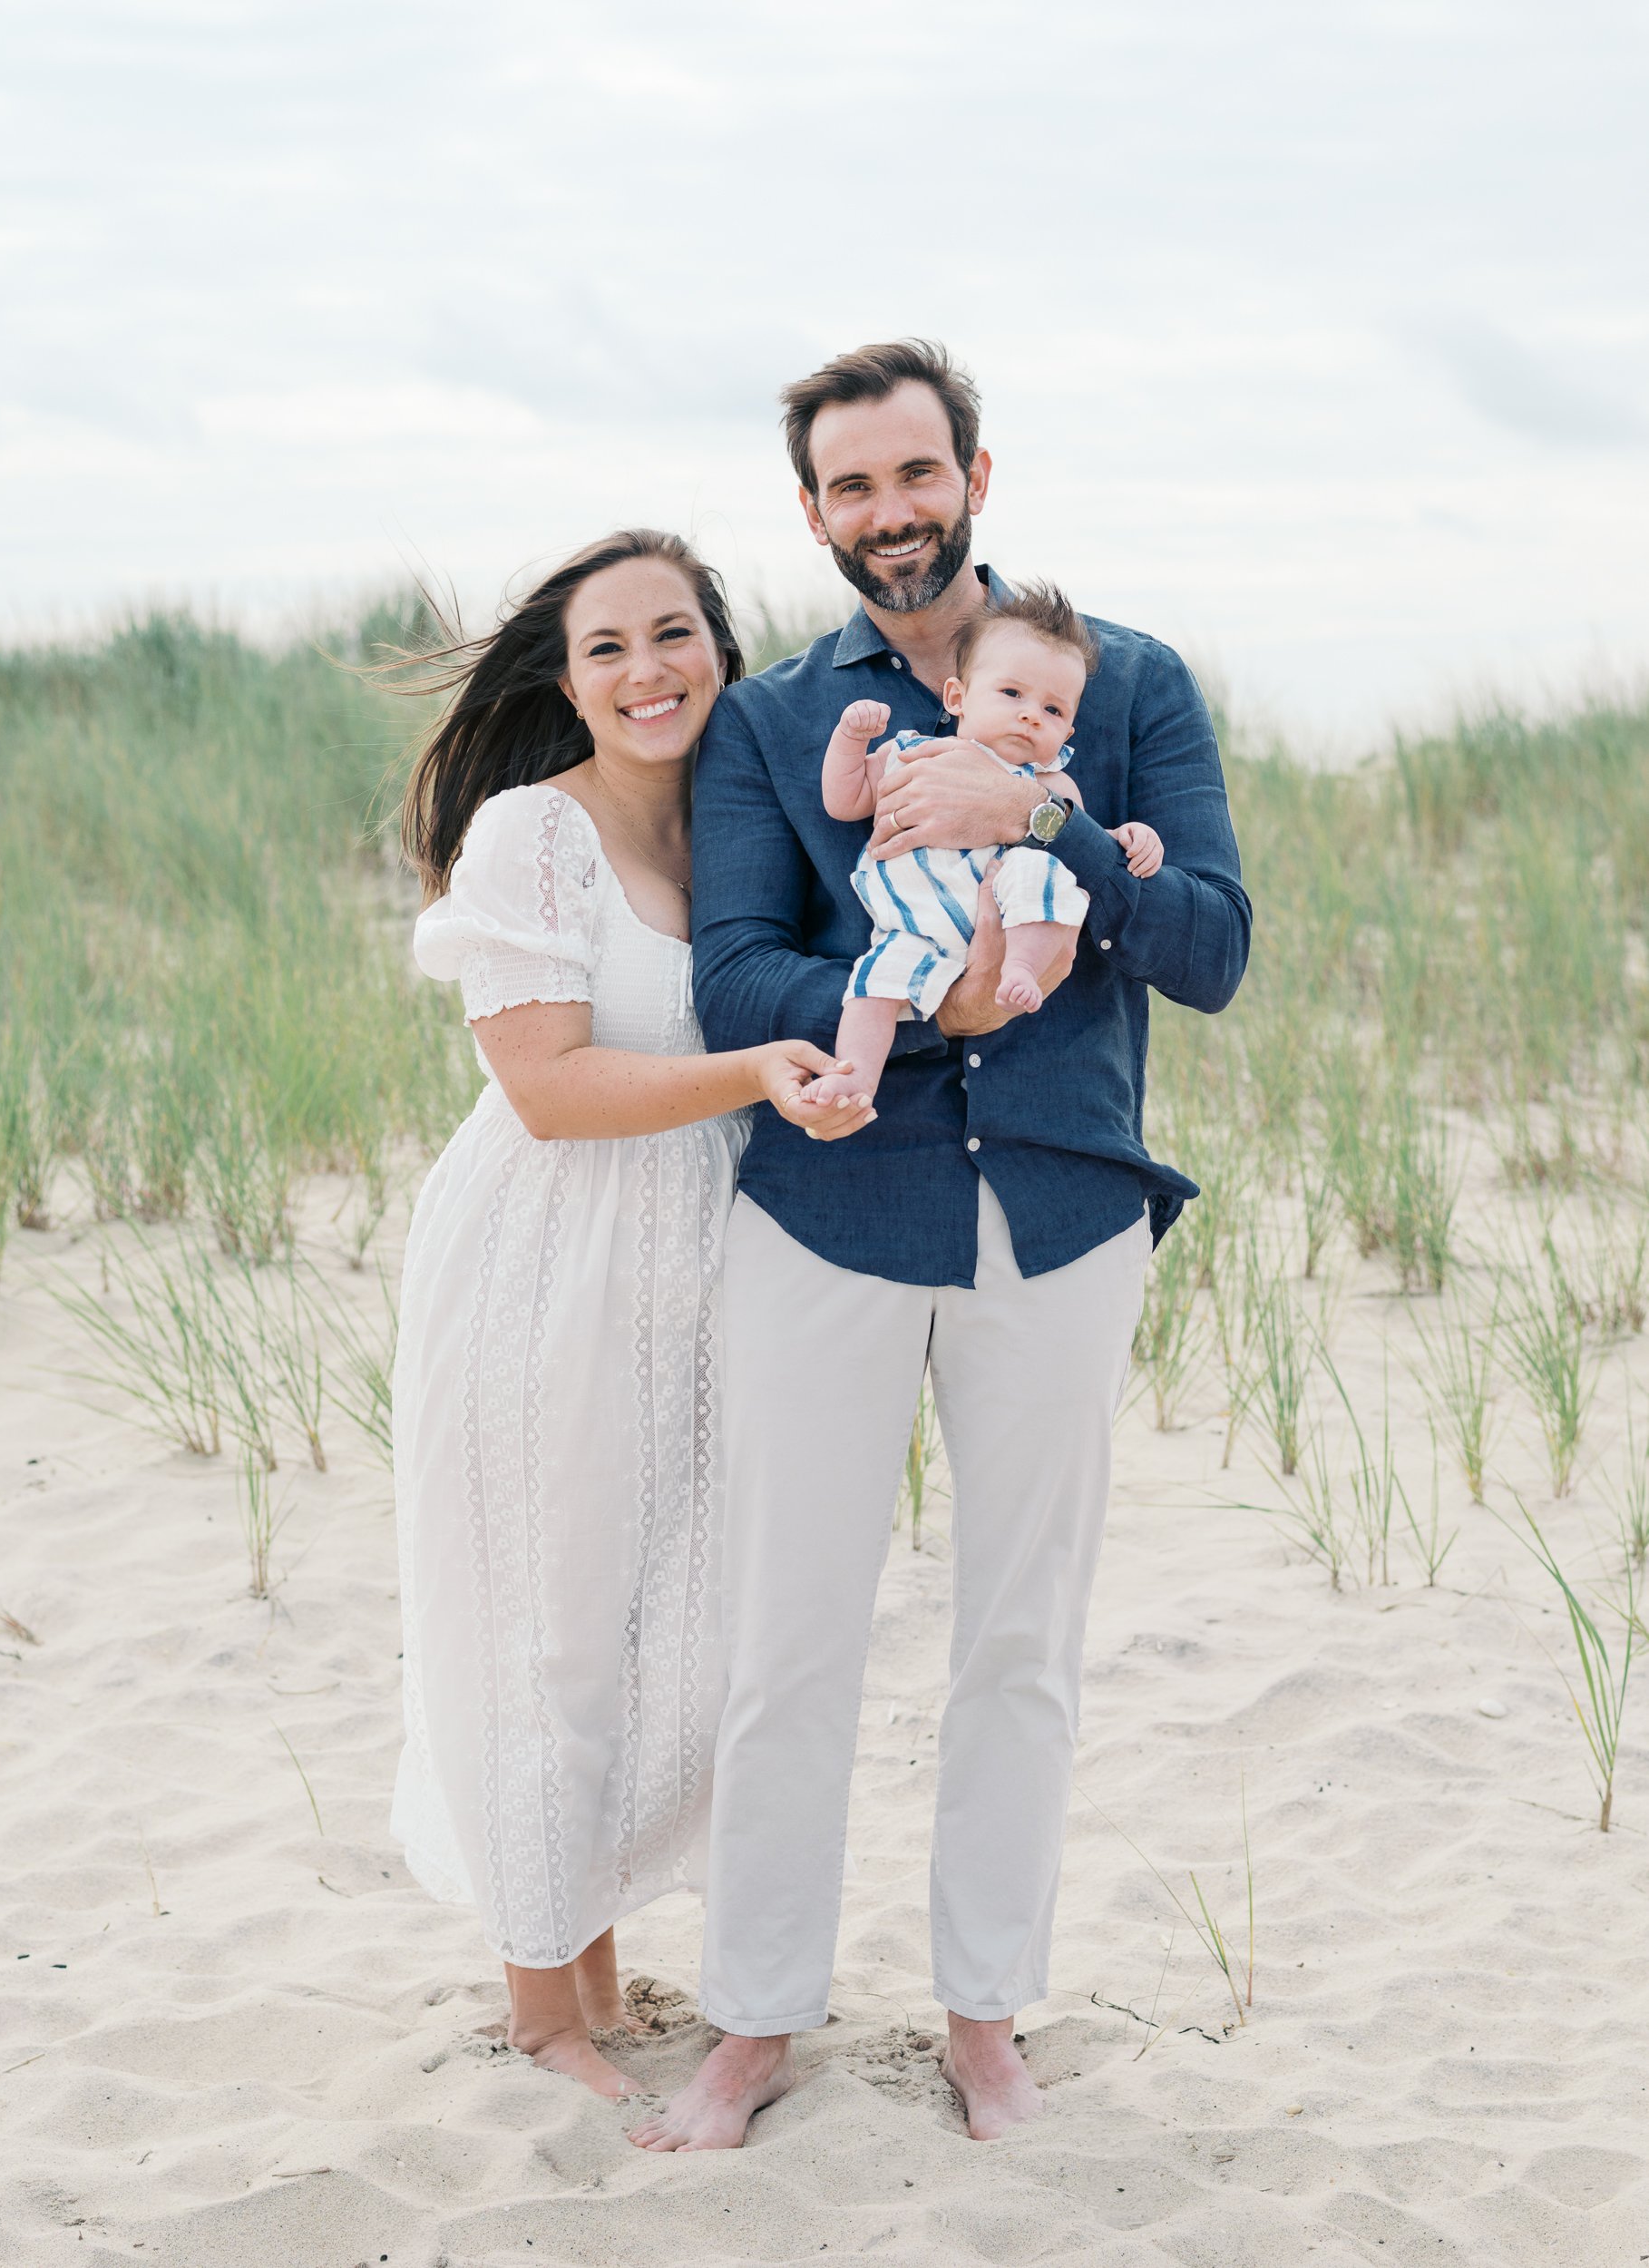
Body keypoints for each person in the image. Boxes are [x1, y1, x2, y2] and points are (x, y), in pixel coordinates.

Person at [629, 340, 1250, 2152]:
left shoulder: (1127, 683)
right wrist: (939, 986)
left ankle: (986, 2018)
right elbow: (735, 966)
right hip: (823, 1216)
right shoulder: (766, 722)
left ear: (976, 473)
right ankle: (751, 2022)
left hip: (1056, 1218)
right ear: (814, 513)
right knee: (788, 1638)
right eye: (850, 488)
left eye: (916, 475)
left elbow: (1206, 943)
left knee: (1018, 1641)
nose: (888, 514)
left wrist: (1041, 817)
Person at [388, 529, 855, 2103]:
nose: (648, 670)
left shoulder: (737, 832)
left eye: (677, 634)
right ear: (565, 678)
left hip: (697, 1269)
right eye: (609, 647)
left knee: (673, 1631)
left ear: (722, 650)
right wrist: (751, 1075)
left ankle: (586, 1955)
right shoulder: (536, 834)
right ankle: (542, 2015)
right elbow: (545, 1087)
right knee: (554, 1627)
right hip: (550, 1262)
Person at [800, 582, 1163, 1115]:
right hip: (915, 926)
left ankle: (1019, 968)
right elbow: (844, 798)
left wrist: (1129, 836)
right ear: (958, 698)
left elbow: (1081, 844)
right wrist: (852, 740)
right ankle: (852, 1083)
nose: (1031, 716)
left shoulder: (1051, 786)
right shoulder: (911, 753)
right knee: (872, 987)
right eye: (1012, 694)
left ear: (1067, 733)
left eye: (1054, 710)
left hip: (1003, 909)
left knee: (1044, 875)